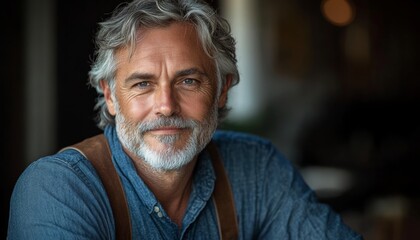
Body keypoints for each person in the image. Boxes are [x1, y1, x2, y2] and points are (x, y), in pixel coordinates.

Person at [8, 0, 363, 239]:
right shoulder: (57, 189)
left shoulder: (257, 169)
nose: (166, 105)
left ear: (222, 90)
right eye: (143, 84)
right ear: (111, 95)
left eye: (189, 81)